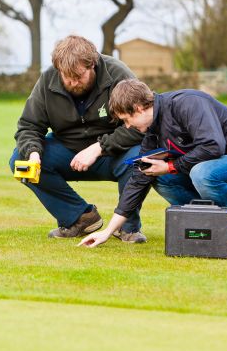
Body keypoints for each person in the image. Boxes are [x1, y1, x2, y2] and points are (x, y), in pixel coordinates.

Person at [79, 79, 227, 257]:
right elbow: (138, 180)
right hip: (221, 169)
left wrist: (170, 166)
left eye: (126, 119)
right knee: (157, 176)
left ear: (139, 108)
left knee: (201, 173)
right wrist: (108, 231)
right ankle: (212, 229)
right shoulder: (152, 132)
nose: (128, 126)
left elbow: (212, 145)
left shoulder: (187, 103)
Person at [9, 35, 147, 241]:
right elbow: (29, 125)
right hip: (67, 151)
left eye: (79, 76)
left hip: (113, 153)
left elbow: (141, 123)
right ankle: (79, 218)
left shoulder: (118, 74)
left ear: (92, 65)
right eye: (67, 77)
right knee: (19, 158)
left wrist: (99, 147)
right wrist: (33, 153)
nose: (72, 82)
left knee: (140, 157)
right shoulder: (48, 79)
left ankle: (127, 226)